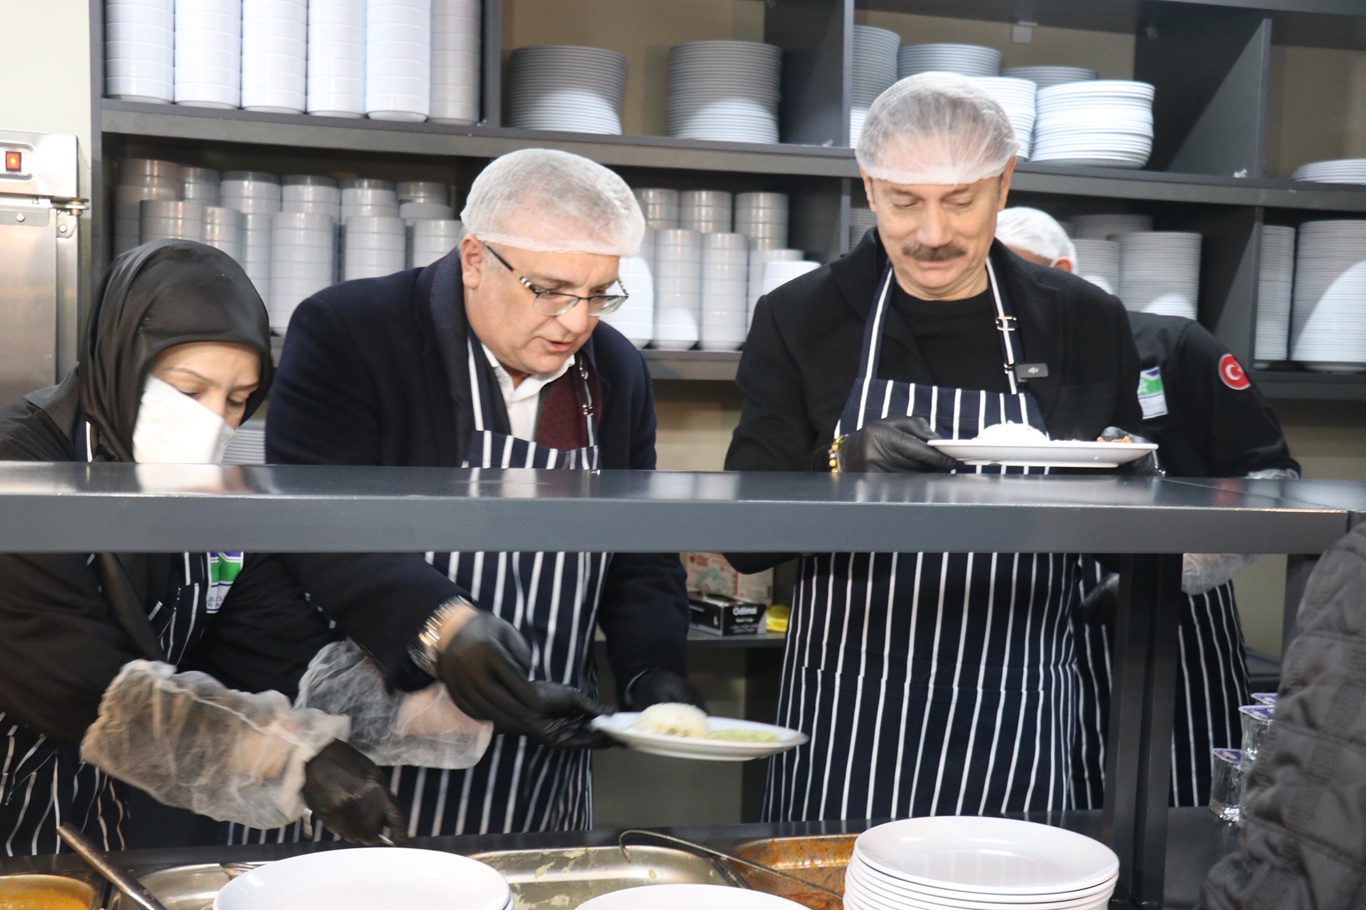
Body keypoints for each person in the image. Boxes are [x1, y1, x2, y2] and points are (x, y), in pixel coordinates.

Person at [724, 73, 1145, 822]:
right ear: (869, 187)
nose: (932, 235)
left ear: (1003, 183)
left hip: (1020, 706)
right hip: (850, 712)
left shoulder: (1083, 319)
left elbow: (1121, 519)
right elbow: (744, 542)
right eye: (903, 202)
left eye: (960, 201)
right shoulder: (802, 316)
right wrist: (840, 464)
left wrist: (1132, 475)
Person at [258, 148, 697, 839]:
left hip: (545, 753)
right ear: (473, 259)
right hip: (378, 756)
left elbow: (638, 547)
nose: (577, 322)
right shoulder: (353, 332)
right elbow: (317, 527)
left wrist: (653, 670)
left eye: (598, 293)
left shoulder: (614, 370)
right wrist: (441, 626)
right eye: (550, 290)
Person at [0, 240, 407, 855]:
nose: (215, 422)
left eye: (238, 400)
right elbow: (76, 684)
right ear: (123, 360)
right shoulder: (19, 472)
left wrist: (448, 711)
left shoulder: (203, 498)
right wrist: (290, 757)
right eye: (189, 391)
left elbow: (278, 647)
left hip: (92, 827)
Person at [995, 206, 1300, 807]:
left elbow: (1269, 481)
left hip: (1176, 616)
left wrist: (1181, 569)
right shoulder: (988, 368)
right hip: (1033, 621)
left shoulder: (1174, 345)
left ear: (1064, 272)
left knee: (1175, 799)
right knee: (1057, 803)